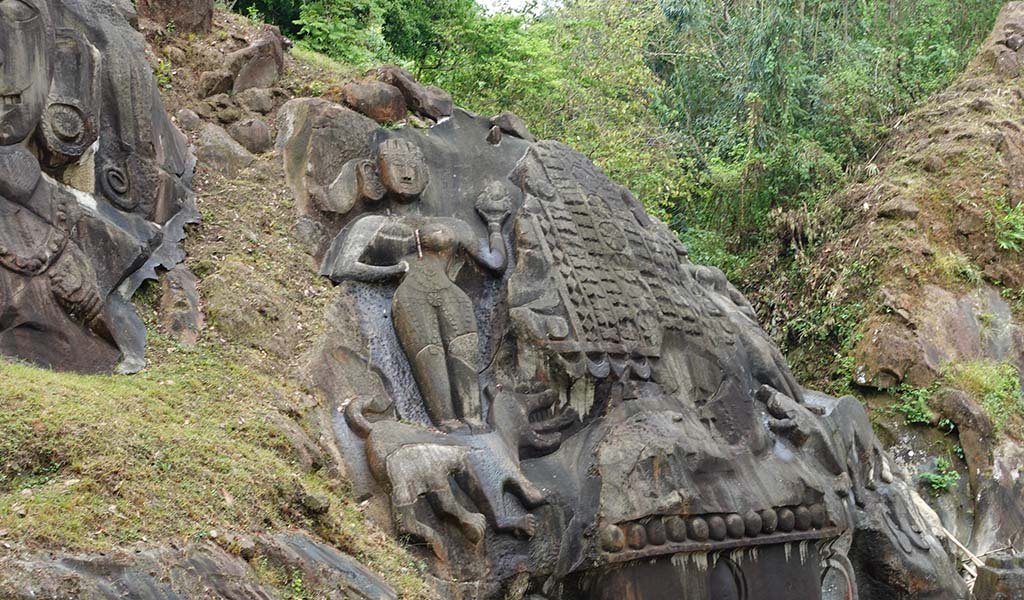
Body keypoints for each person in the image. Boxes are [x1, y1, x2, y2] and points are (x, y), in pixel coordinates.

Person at [322, 180, 511, 431]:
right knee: (429, 353)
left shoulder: (456, 225)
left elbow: (496, 264)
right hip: (412, 294)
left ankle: (474, 417)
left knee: (464, 348)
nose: (407, 172)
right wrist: (394, 270)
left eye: (413, 163)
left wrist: (495, 225)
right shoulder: (372, 224)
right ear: (376, 173)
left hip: (451, 292)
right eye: (396, 163)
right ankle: (445, 420)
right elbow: (344, 267)